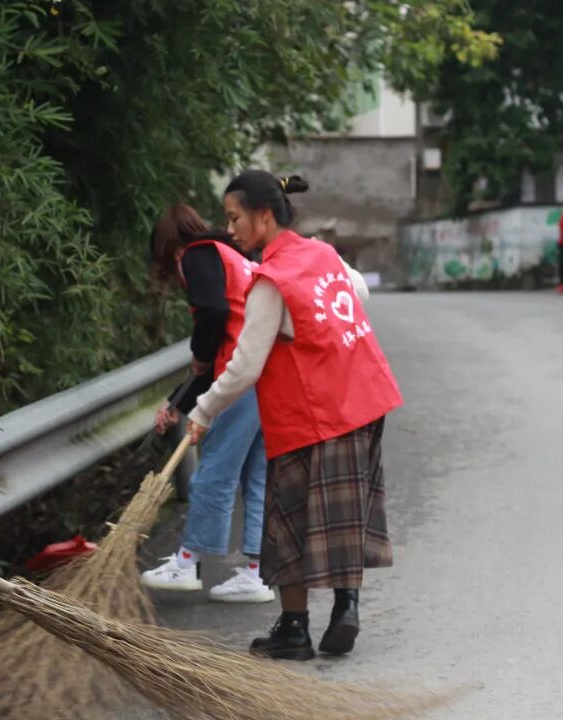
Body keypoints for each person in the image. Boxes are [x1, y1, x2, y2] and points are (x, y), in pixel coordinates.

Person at [186, 171, 400, 661]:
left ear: (264, 216)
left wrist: (202, 413)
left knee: (287, 521)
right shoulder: (322, 254)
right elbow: (358, 292)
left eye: (235, 218)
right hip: (362, 398)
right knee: (344, 514)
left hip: (314, 413)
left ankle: (295, 628)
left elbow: (244, 366)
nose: (231, 229)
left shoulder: (270, 281)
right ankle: (347, 606)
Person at [141, 204, 273, 603]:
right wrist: (177, 402)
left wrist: (199, 350)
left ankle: (187, 561)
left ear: (169, 247)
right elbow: (215, 344)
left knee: (215, 468)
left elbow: (214, 320)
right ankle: (258, 572)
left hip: (239, 375)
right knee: (256, 476)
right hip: (266, 372)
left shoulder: (196, 255)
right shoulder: (232, 254)